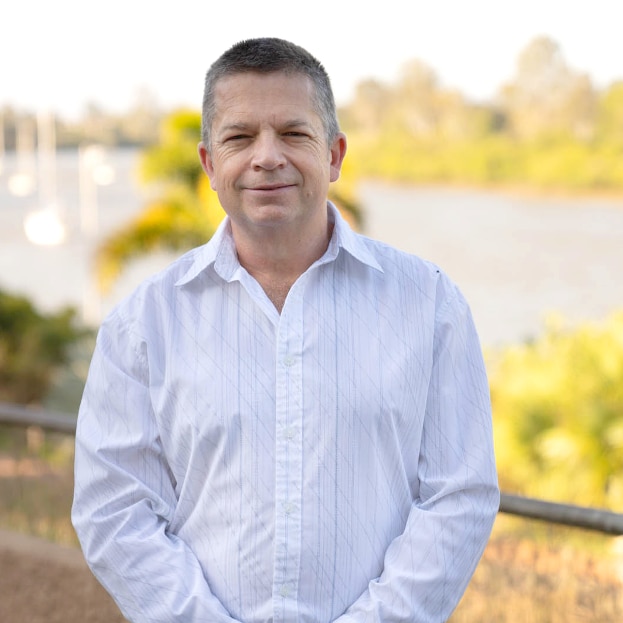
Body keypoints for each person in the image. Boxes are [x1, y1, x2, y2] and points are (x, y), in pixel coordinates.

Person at [72, 37, 499, 623]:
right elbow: (113, 509)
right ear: (208, 164)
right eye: (239, 137)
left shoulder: (430, 304)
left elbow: (459, 496)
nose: (266, 156)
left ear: (334, 155)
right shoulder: (142, 325)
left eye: (293, 134)